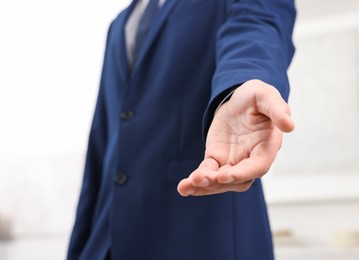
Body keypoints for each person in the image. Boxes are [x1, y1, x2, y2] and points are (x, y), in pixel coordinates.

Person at [67, 0, 296, 259]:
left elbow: (257, 24)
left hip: (200, 237)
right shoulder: (119, 24)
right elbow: (101, 141)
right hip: (105, 243)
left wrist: (242, 81)